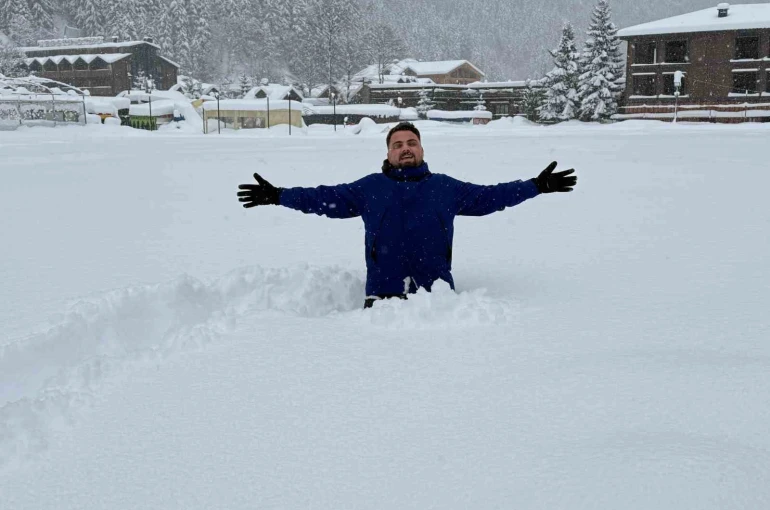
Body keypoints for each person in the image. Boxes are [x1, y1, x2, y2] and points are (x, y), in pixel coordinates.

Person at [237, 122, 576, 308]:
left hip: (437, 303)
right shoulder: (369, 188)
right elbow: (322, 198)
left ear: (422, 149)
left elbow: (491, 196)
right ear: (388, 152)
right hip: (381, 300)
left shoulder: (446, 188)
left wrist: (535, 186)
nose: (405, 148)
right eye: (397, 144)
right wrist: (279, 195)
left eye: (411, 142)